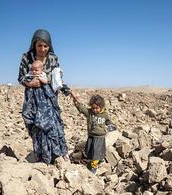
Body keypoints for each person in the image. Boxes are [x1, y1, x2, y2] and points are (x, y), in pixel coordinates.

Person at [18, 29, 70, 164]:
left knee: (54, 126)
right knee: (37, 127)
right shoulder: (26, 57)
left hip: (49, 99)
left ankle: (59, 154)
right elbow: (21, 77)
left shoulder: (53, 58)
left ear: (49, 46)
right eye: (39, 45)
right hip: (33, 100)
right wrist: (30, 83)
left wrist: (66, 90)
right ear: (34, 44)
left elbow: (58, 78)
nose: (42, 49)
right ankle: (42, 156)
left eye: (45, 46)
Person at [70, 92, 116, 174]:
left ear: (101, 106)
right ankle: (99, 160)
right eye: (93, 108)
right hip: (91, 136)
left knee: (96, 152)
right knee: (90, 151)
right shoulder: (90, 113)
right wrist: (76, 101)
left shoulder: (105, 114)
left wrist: (111, 127)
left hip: (100, 137)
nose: (95, 110)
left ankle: (94, 167)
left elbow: (109, 121)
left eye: (97, 108)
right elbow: (82, 109)